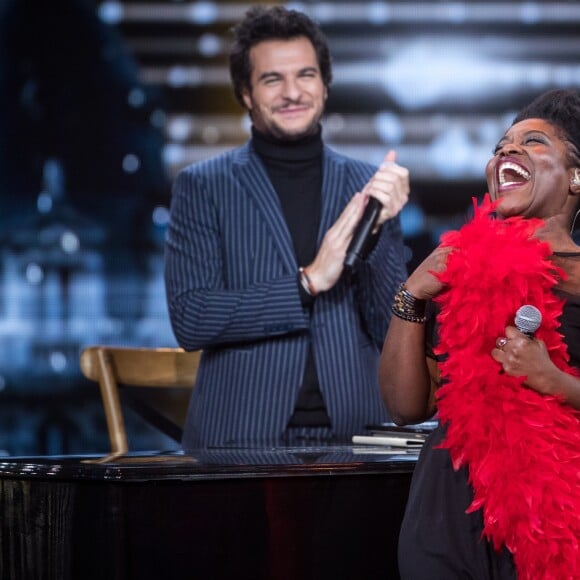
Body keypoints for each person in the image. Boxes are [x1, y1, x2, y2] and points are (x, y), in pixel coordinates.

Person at [164, 6, 409, 448]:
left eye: (306, 75)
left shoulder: (366, 185)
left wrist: (379, 231)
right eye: (272, 79)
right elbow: (193, 318)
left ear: (325, 84)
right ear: (246, 93)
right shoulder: (202, 186)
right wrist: (308, 282)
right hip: (239, 439)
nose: (292, 92)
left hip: (358, 437)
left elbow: (390, 327)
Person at [379, 88, 580, 579]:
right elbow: (407, 407)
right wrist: (412, 295)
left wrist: (557, 382)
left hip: (555, 520)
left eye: (533, 142)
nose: (506, 152)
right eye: (501, 146)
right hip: (449, 511)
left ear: (576, 176)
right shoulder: (458, 269)